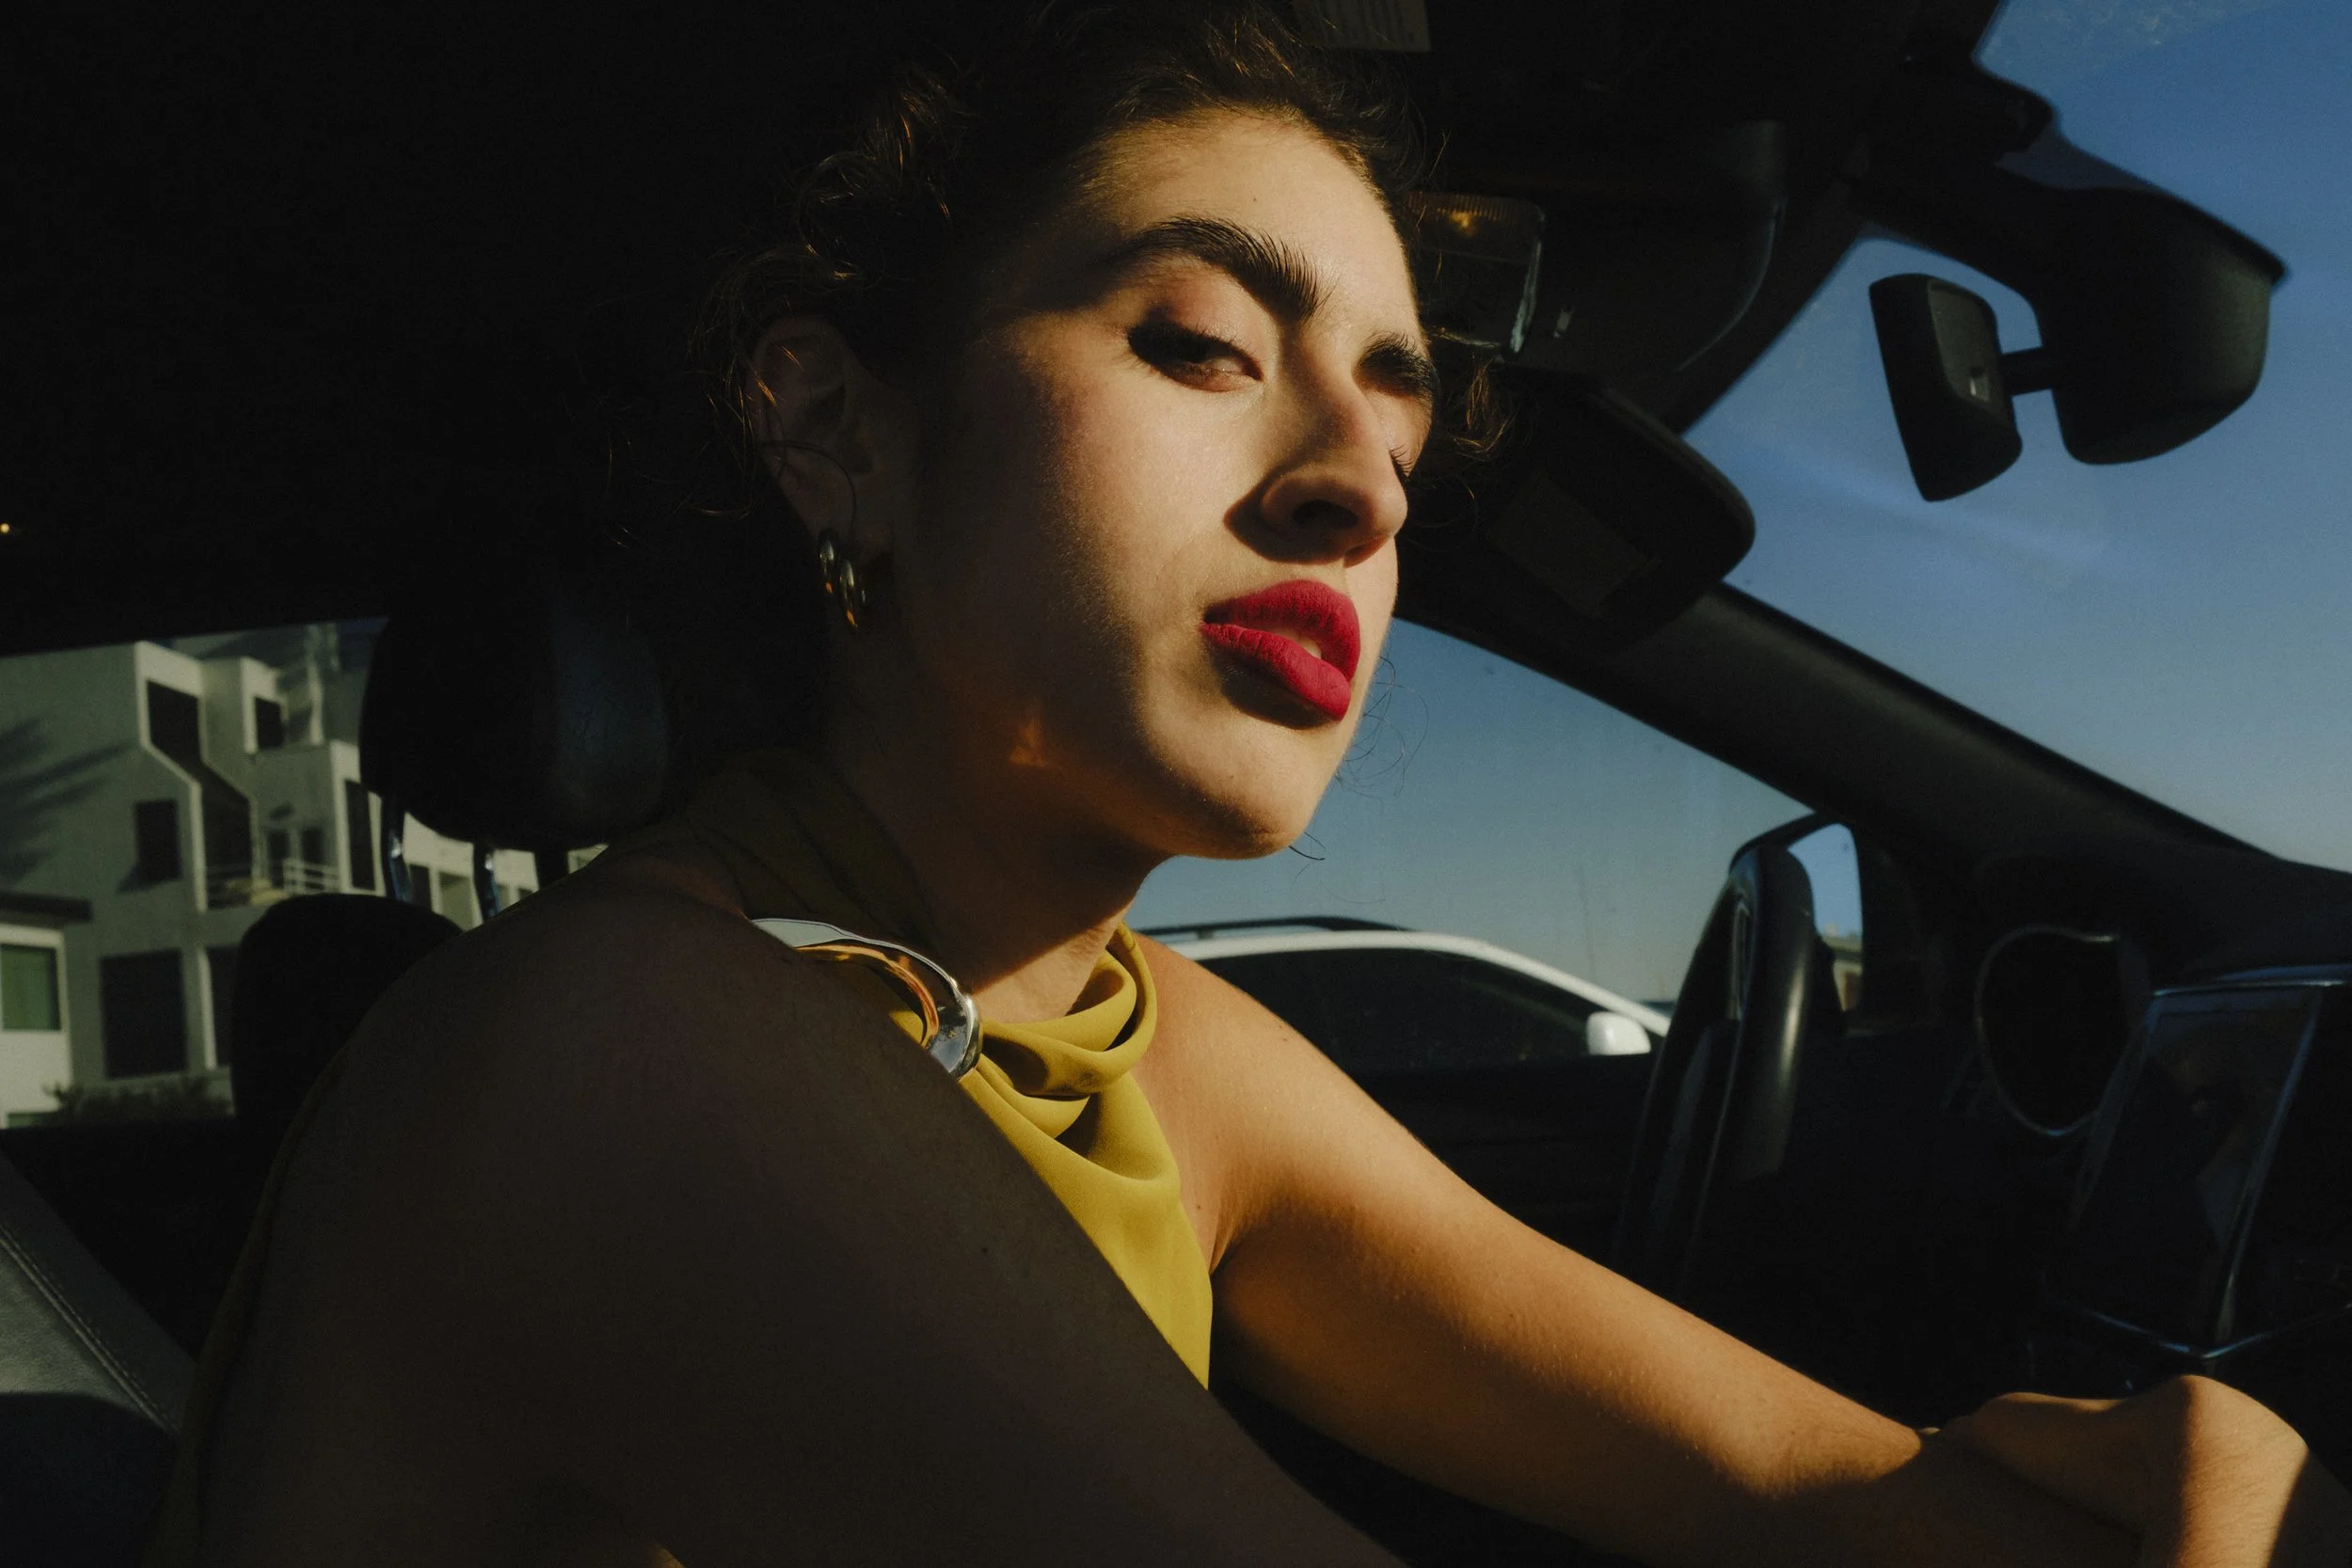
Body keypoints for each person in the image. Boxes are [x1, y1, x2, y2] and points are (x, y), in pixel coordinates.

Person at [150, 4, 2352, 1563]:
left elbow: (1814, 1494)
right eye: (1202, 345)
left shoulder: (1139, 1043)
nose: (1354, 490)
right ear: (830, 425)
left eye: (1397, 425)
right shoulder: (621, 1050)